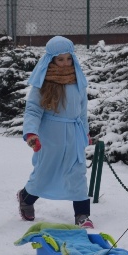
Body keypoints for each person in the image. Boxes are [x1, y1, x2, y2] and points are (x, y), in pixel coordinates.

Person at [17, 36, 93, 228]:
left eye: (69, 58)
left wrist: (85, 133)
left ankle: (82, 214)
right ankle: (26, 197)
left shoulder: (78, 81)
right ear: (51, 60)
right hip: (51, 136)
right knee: (45, 173)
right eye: (60, 59)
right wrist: (32, 133)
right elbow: (33, 110)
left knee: (77, 173)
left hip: (74, 135)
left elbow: (82, 111)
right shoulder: (42, 84)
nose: (65, 63)